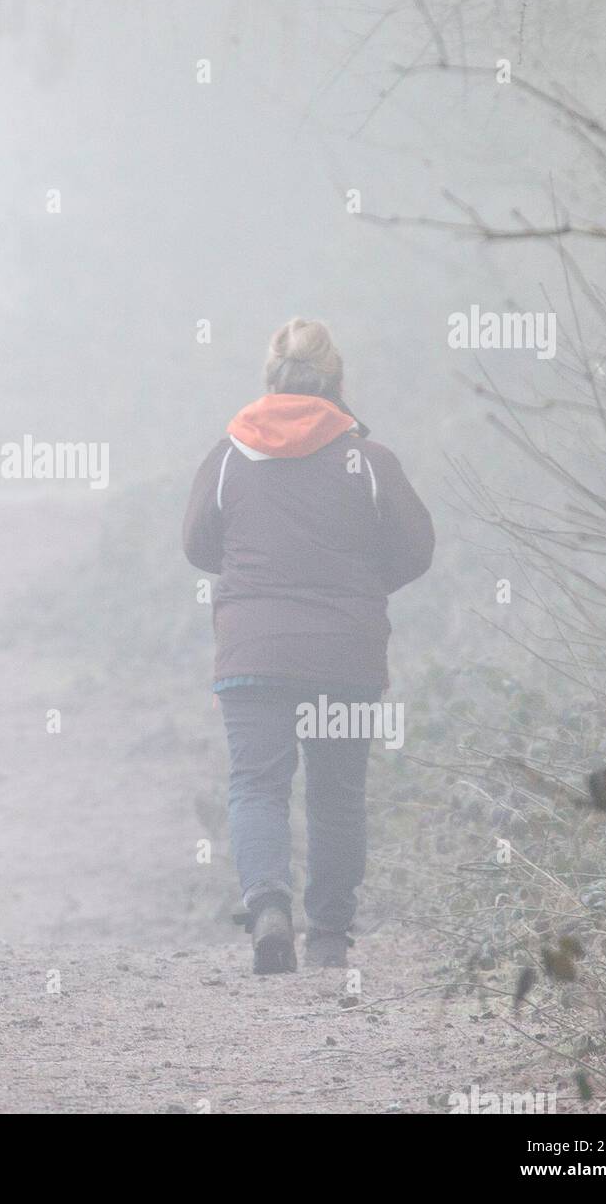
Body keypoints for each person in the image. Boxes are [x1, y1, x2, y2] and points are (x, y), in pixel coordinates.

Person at [182, 318, 433, 974]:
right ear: (338, 382)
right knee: (337, 790)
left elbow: (197, 544)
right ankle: (327, 936)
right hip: (345, 657)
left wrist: (250, 582)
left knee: (258, 784)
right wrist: (364, 588)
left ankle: (268, 906)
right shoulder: (369, 462)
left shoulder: (230, 455)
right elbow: (416, 550)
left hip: (253, 654)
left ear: (269, 379)